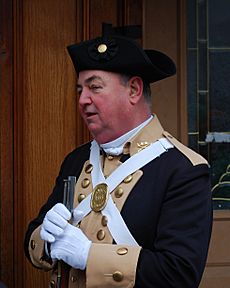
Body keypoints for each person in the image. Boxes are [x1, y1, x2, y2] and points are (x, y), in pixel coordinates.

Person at [24, 34, 213, 288]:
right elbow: (33, 238)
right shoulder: (76, 160)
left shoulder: (183, 170)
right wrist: (46, 241)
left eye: (95, 87)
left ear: (133, 90)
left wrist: (89, 256)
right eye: (80, 90)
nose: (82, 100)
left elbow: (179, 275)